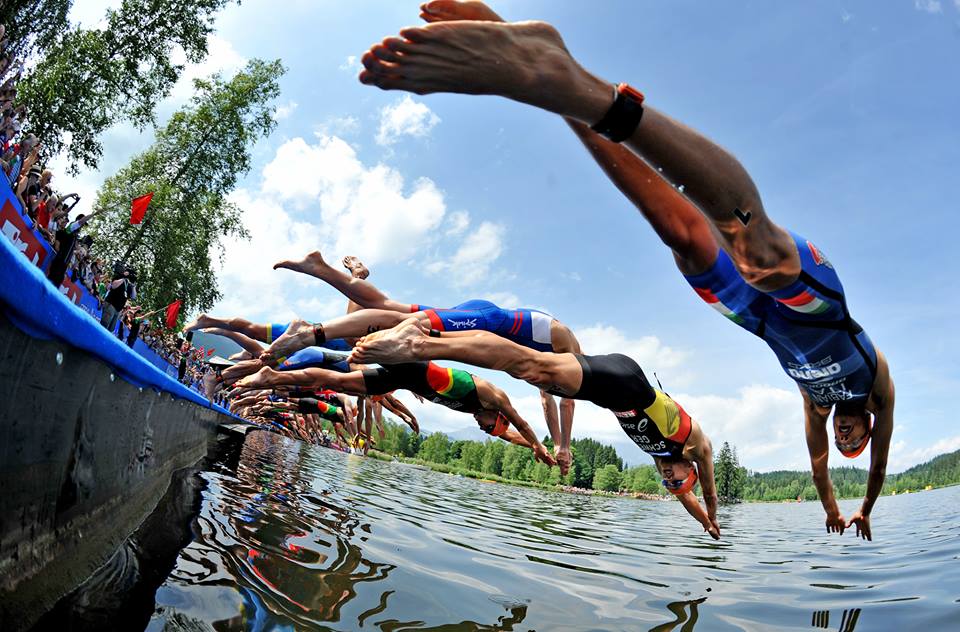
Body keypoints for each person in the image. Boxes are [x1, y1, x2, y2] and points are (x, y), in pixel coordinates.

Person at [358, 0, 893, 540]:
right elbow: (849, 468)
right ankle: (602, 98)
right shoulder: (876, 389)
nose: (846, 439)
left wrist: (830, 510)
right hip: (811, 305)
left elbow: (819, 468)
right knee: (761, 259)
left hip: (753, 321)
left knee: (679, 235)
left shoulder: (814, 405)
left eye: (845, 440)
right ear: (868, 423)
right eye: (855, 439)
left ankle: (553, 78)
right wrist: (862, 502)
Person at [351, 318, 719, 538]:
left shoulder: (665, 463)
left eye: (668, 482)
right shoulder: (693, 448)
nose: (669, 478)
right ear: (690, 470)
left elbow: (686, 497)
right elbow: (706, 489)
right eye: (676, 478)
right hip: (626, 384)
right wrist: (714, 513)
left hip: (608, 389)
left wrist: (705, 526)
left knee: (528, 369)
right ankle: (420, 343)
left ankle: (428, 338)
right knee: (531, 365)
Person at [271, 250, 581, 473]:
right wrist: (558, 444)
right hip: (488, 320)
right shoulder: (562, 354)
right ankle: (312, 332)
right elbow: (556, 404)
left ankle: (336, 275)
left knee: (384, 310)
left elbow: (533, 417)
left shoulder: (535, 377)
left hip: (475, 322)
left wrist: (552, 446)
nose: (482, 428)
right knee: (397, 327)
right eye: (488, 428)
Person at [234, 352, 557, 468]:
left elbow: (510, 437)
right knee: (354, 340)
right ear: (497, 417)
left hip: (401, 379)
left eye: (484, 429)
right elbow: (522, 424)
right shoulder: (493, 396)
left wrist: (533, 450)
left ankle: (272, 377)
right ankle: (356, 279)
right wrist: (542, 445)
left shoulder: (481, 414)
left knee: (341, 382)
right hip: (412, 363)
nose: (481, 425)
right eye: (488, 426)